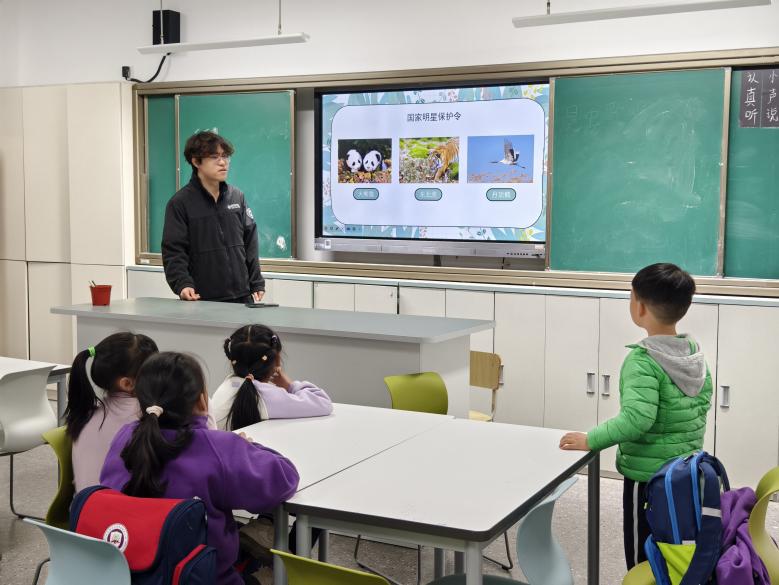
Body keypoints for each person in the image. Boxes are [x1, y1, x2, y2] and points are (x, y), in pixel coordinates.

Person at [559, 263, 713, 570]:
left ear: (639, 307)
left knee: (641, 552)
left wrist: (591, 439)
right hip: (686, 471)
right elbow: (702, 404)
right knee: (676, 544)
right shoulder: (693, 354)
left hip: (647, 478)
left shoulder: (643, 361)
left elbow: (636, 420)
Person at [100, 352, 299, 585]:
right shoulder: (219, 448)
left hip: (128, 574)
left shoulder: (125, 437)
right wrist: (249, 447)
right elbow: (284, 478)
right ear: (202, 401)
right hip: (201, 578)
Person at [162, 131, 265, 303]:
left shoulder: (236, 197)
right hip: (203, 299)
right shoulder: (180, 203)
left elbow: (250, 242)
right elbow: (174, 251)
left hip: (243, 296)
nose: (223, 162)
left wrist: (256, 281)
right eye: (214, 157)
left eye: (225, 156)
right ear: (196, 162)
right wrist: (182, 284)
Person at [65, 332, 158, 492]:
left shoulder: (86, 414)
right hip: (118, 507)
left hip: (84, 506)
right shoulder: (147, 416)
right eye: (155, 372)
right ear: (127, 383)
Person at [211, 324, 333, 431]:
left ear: (232, 361)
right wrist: (290, 385)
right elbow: (323, 402)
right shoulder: (267, 395)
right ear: (277, 359)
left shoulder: (227, 385)